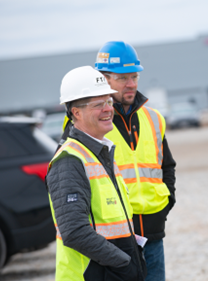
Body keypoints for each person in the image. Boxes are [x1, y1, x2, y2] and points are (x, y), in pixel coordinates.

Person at [60, 41, 176, 281]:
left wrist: (164, 207)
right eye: (123, 78)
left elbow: (167, 167)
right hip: (114, 238)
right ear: (103, 79)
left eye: (134, 76)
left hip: (152, 231)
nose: (131, 84)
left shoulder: (153, 118)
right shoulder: (87, 122)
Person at [47, 66, 145, 280]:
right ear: (76, 112)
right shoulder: (69, 161)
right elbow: (74, 232)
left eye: (109, 102)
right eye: (98, 104)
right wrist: (123, 262)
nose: (108, 109)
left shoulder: (100, 152)